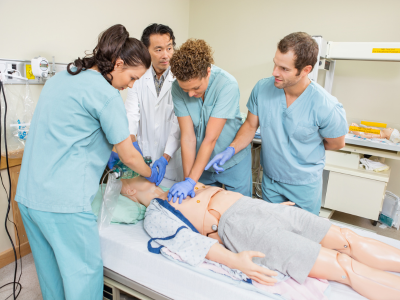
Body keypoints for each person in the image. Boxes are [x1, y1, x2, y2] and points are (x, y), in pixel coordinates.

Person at [15, 25, 160, 300]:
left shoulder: (61, 78)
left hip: (29, 197)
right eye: (132, 78)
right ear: (118, 63)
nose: (130, 85)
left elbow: (69, 132)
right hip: (63, 204)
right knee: (83, 276)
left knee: (52, 275)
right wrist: (150, 172)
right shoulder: (105, 94)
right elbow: (129, 154)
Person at [120, 176, 400, 300]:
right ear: (129, 192)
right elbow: (190, 243)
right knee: (342, 266)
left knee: (346, 236)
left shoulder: (175, 185)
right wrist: (235, 261)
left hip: (257, 207)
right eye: (130, 176)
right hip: (241, 228)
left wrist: (271, 208)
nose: (142, 170)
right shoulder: (155, 214)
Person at [207, 32, 348, 215]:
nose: (275, 72)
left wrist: (302, 150)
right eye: (275, 64)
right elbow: (250, 126)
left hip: (303, 185)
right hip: (271, 181)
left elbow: (337, 143)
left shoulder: (325, 105)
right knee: (271, 232)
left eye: (284, 69)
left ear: (305, 70)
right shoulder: (262, 89)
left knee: (302, 236)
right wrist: (231, 149)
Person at [167, 39, 252, 203]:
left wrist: (191, 181)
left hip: (232, 161)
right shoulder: (177, 88)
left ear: (207, 72)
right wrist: (189, 180)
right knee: (202, 205)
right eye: (186, 90)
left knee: (240, 207)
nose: (190, 94)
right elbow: (188, 137)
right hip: (202, 163)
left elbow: (210, 138)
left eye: (196, 88)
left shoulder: (227, 84)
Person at [109, 23, 183, 184]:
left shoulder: (181, 79)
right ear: (146, 51)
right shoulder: (138, 76)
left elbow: (179, 124)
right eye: (158, 50)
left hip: (170, 164)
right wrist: (130, 144)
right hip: (142, 157)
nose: (166, 55)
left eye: (169, 48)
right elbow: (131, 114)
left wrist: (165, 157)